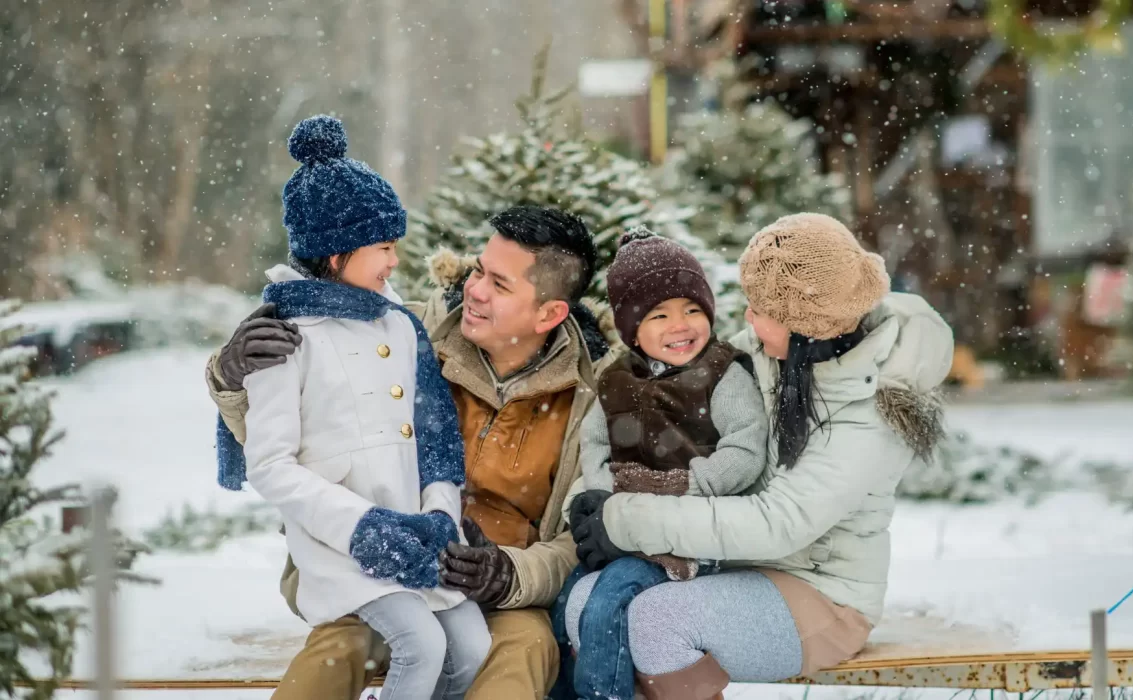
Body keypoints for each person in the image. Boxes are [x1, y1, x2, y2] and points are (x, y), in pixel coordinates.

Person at [208, 202, 618, 700]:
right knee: (344, 645)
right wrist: (232, 377)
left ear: (549, 313)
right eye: (478, 271)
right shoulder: (401, 333)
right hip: (375, 568)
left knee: (523, 648)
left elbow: (577, 540)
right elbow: (294, 447)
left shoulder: (590, 399)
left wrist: (510, 574)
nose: (475, 290)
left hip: (500, 593)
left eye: (500, 284)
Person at [571, 213, 955, 699]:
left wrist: (627, 520)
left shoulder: (871, 412)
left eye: (760, 309)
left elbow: (780, 522)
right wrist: (598, 495)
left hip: (824, 594)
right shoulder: (772, 355)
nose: (746, 319)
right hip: (734, 566)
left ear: (806, 326)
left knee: (656, 621)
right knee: (585, 603)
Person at [217, 114, 491, 700]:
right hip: (341, 544)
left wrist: (440, 516)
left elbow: (437, 436)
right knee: (422, 645)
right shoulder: (286, 335)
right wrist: (364, 528)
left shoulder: (399, 323)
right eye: (384, 248)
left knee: (471, 646)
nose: (395, 262)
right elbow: (270, 463)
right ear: (336, 252)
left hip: (419, 534)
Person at [554, 227, 768, 700]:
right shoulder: (615, 381)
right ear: (632, 329)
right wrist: (608, 500)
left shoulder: (722, 374)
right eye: (660, 315)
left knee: (611, 601)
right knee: (566, 601)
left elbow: (746, 448)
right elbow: (595, 447)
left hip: (688, 538)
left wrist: (685, 485)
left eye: (693, 310)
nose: (681, 325)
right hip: (622, 533)